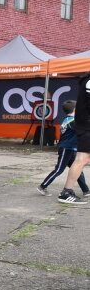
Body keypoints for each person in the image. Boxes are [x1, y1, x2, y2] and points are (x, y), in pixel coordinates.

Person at [38, 100, 88, 197]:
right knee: (59, 170)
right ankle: (42, 186)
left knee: (77, 169)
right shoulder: (72, 121)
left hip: (69, 148)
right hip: (66, 148)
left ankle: (86, 190)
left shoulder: (67, 120)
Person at [57, 74, 90, 205]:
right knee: (82, 159)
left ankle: (67, 191)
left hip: (85, 124)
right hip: (87, 126)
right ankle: (66, 192)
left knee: (83, 158)